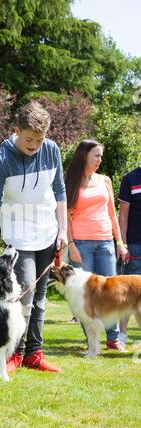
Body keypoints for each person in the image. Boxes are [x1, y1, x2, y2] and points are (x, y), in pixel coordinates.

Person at [0, 100, 67, 373]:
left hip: (48, 232)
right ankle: (15, 354)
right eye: (29, 139)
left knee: (41, 298)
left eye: (40, 140)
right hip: (19, 236)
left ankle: (34, 354)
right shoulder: (1, 158)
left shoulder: (51, 150)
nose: (34, 146)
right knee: (25, 296)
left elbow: (60, 192)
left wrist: (63, 229)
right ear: (15, 130)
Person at [65, 139, 129, 352]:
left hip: (105, 242)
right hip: (81, 243)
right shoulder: (70, 181)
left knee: (111, 292)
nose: (100, 160)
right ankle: (92, 340)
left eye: (101, 155)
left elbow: (113, 214)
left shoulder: (105, 181)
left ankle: (113, 339)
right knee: (85, 295)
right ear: (85, 155)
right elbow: (67, 217)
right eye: (97, 155)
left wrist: (119, 242)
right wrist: (71, 244)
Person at [118, 165, 141, 344]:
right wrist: (122, 244)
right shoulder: (130, 178)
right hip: (135, 245)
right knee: (129, 293)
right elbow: (123, 215)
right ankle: (122, 336)